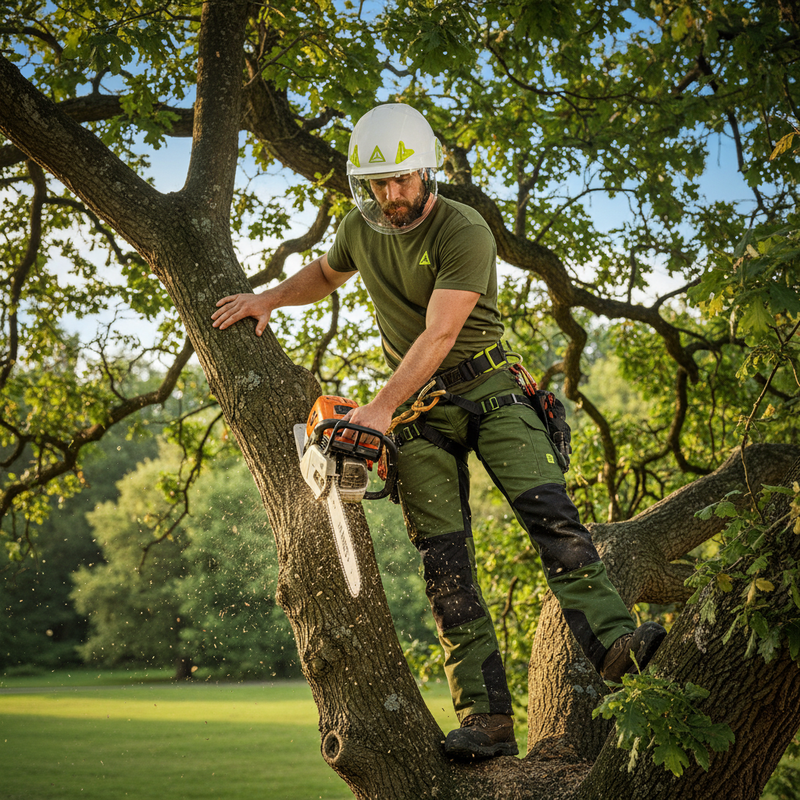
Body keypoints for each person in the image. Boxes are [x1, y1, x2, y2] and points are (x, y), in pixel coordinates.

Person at [212, 103, 666, 760]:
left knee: (553, 522)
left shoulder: (464, 228)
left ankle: (617, 648)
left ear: (424, 170)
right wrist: (269, 298)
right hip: (420, 410)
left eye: (400, 179)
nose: (390, 194)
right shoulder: (358, 229)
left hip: (490, 388)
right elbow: (325, 273)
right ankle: (485, 718)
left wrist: (377, 409)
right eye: (378, 182)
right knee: (445, 566)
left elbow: (443, 333)